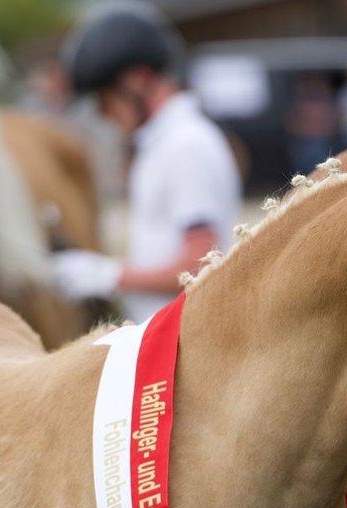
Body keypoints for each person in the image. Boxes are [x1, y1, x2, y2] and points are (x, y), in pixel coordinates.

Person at [53, 2, 241, 322]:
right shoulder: (162, 142)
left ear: (138, 79)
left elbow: (201, 262)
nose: (101, 113)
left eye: (104, 97)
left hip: (184, 340)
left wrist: (109, 276)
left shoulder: (186, 144)